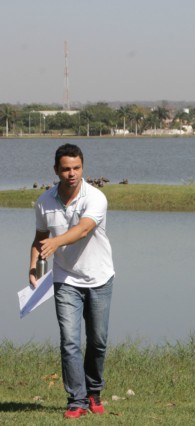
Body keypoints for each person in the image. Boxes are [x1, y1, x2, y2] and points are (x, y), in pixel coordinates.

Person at [29, 143, 115, 419]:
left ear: (83, 168)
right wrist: (34, 269)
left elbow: (83, 230)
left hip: (99, 278)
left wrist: (55, 242)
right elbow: (40, 239)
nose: (72, 174)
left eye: (76, 168)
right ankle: (76, 400)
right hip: (65, 279)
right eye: (66, 169)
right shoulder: (44, 202)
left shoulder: (96, 197)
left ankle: (94, 391)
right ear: (56, 170)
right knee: (69, 340)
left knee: (98, 340)